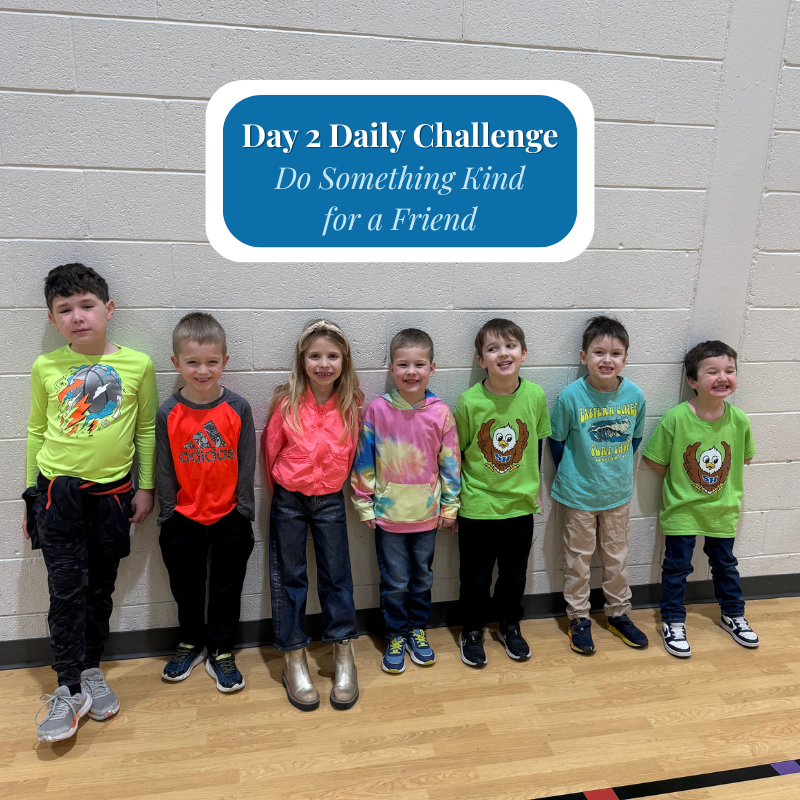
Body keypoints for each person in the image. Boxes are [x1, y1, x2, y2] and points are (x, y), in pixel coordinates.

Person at [24, 263, 157, 742]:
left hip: (113, 498)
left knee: (100, 588)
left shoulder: (138, 364)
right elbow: (36, 430)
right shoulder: (46, 367)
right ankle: (67, 686)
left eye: (86, 305)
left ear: (108, 309)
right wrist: (30, 497)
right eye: (65, 310)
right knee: (66, 591)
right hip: (57, 496)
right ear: (52, 319)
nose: (78, 316)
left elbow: (144, 429)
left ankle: (91, 668)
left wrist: (145, 487)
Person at [262, 320, 363, 711]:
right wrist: (283, 495)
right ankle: (293, 656)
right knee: (290, 578)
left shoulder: (352, 403)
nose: (324, 364)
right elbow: (270, 453)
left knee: (337, 577)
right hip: (289, 499)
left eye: (332, 356)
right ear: (302, 360)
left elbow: (354, 453)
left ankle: (343, 652)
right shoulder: (285, 401)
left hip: (330, 501)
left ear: (344, 361)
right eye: (315, 355)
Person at [351, 329, 461, 674]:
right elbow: (363, 461)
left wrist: (450, 506)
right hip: (388, 518)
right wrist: (364, 504)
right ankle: (396, 634)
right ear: (391, 368)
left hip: (428, 517)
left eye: (418, 364)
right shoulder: (377, 411)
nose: (410, 372)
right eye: (403, 364)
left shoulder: (441, 413)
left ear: (432, 368)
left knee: (422, 580)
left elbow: (451, 463)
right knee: (395, 582)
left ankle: (417, 630)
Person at [156, 312, 255, 692]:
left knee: (227, 589)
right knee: (187, 587)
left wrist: (243, 510)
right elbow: (164, 467)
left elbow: (247, 463)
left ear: (224, 362)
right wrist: (168, 514)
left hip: (229, 516)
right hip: (182, 518)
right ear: (176, 363)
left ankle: (222, 649)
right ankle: (190, 642)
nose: (202, 370)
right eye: (193, 362)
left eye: (211, 362)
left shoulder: (238, 408)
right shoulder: (168, 412)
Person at [642, 340, 759, 658]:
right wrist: (683, 484)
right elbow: (654, 460)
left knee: (725, 564)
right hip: (682, 510)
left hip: (723, 510)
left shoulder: (739, 421)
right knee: (676, 567)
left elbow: (744, 458)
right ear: (692, 381)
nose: (723, 377)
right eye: (712, 371)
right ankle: (673, 620)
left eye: (729, 370)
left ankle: (733, 615)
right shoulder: (676, 418)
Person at [454, 318, 551, 667]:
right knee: (475, 578)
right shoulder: (468, 402)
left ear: (524, 354)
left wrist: (533, 492)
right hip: (477, 506)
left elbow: (537, 448)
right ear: (482, 360)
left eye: (510, 346)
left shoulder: (536, 396)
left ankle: (509, 625)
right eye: (492, 349)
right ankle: (473, 629)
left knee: (514, 576)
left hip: (519, 507)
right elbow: (458, 454)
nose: (502, 354)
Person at [549, 316, 648, 655]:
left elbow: (634, 440)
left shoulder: (634, 395)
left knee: (616, 559)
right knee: (578, 560)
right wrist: (579, 472)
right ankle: (578, 618)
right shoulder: (570, 397)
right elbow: (557, 442)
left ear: (625, 358)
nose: (607, 360)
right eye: (598, 352)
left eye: (616, 353)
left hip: (618, 494)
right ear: (583, 357)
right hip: (578, 495)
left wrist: (612, 469)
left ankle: (618, 614)